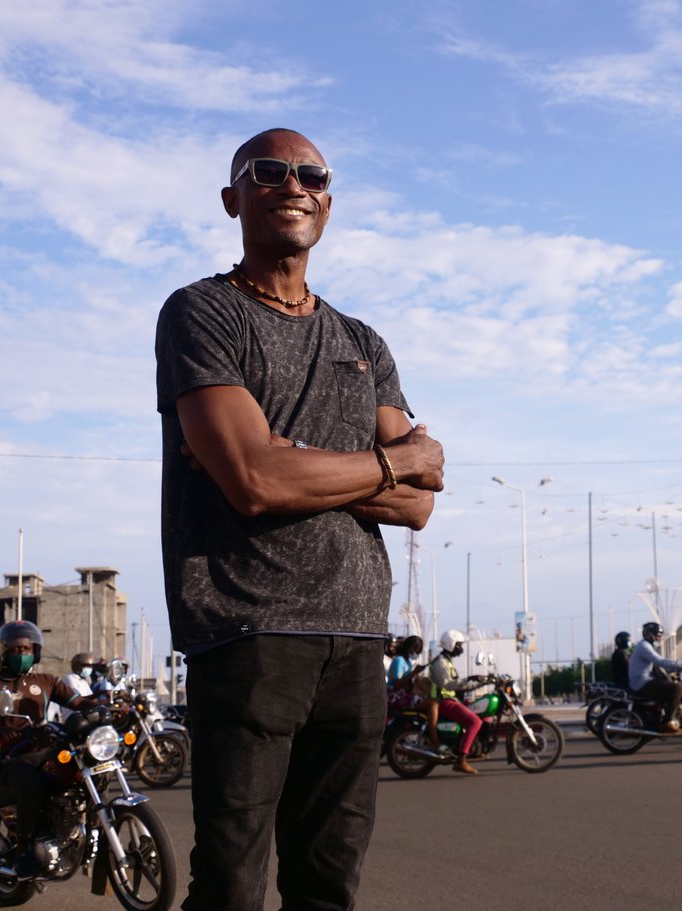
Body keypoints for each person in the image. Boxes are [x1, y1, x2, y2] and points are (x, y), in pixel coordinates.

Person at [155, 128, 445, 911]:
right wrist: (380, 464)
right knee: (232, 883)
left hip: (356, 638)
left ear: (327, 199)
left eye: (311, 174)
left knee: (328, 884)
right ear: (233, 198)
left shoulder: (361, 341)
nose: (293, 184)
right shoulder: (201, 314)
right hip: (247, 632)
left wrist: (299, 460)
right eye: (269, 171)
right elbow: (252, 482)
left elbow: (419, 499)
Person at [0, 621, 99, 872]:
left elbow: (78, 702)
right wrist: (11, 733)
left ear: (36, 652)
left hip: (44, 750)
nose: (22, 654)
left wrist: (106, 706)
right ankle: (23, 850)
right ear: (4, 652)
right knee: (32, 783)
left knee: (87, 771)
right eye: (16, 650)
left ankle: (89, 830)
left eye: (27, 649)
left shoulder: (46, 681)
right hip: (9, 758)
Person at [430, 630, 482, 775]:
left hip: (452, 699)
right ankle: (461, 760)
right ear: (450, 644)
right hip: (444, 701)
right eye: (458, 645)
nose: (461, 648)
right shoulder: (440, 662)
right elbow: (448, 685)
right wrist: (471, 680)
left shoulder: (447, 661)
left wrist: (477, 681)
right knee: (475, 722)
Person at [628, 622, 682, 732]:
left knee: (672, 686)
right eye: (657, 635)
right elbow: (661, 661)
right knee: (676, 689)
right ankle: (667, 722)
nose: (659, 638)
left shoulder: (645, 646)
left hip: (643, 682)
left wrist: (677, 668)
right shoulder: (644, 647)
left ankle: (662, 717)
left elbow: (660, 666)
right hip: (642, 684)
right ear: (650, 635)